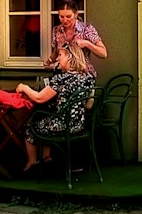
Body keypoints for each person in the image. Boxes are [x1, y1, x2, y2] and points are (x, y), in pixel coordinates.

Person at [19, 44, 97, 173]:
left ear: (70, 57)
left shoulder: (61, 79)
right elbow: (88, 105)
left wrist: (24, 88)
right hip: (78, 126)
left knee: (30, 125)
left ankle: (32, 162)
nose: (57, 59)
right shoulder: (88, 78)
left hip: (61, 126)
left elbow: (39, 98)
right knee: (45, 119)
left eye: (60, 55)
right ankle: (47, 159)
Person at [47, 0, 106, 72]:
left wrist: (87, 44)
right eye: (61, 17)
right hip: (63, 73)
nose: (65, 20)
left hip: (83, 74)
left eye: (68, 16)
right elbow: (57, 52)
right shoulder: (57, 30)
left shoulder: (86, 29)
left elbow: (103, 54)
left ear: (75, 14)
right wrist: (49, 61)